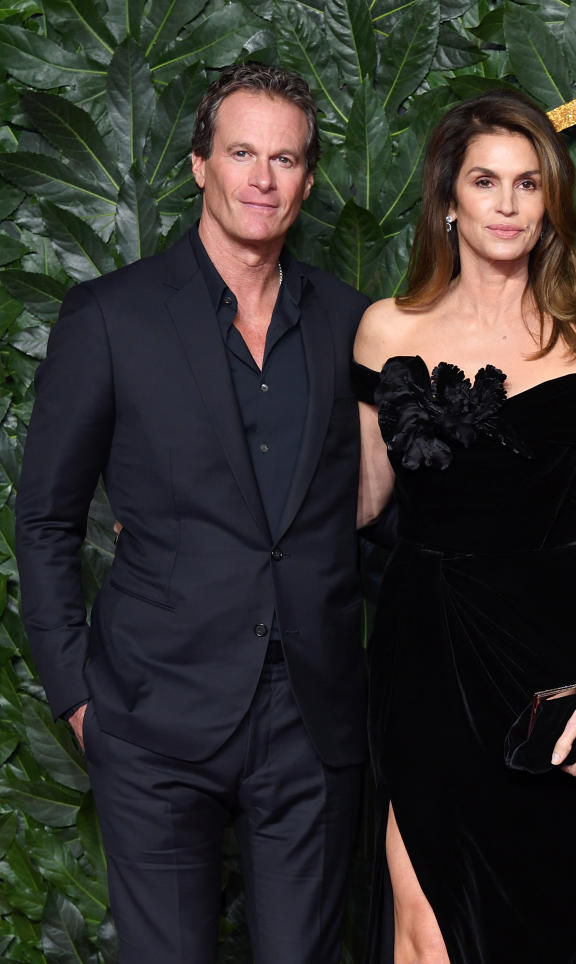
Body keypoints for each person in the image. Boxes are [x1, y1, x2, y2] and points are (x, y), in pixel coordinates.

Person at [15, 63, 370, 962]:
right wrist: (77, 697)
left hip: (306, 719)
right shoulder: (111, 317)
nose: (262, 177)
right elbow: (47, 519)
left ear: (309, 179)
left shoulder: (351, 324)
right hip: (150, 713)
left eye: (285, 158)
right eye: (242, 152)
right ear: (199, 166)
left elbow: (384, 508)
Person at [352, 88, 576, 963]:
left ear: (550, 201)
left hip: (549, 671)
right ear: (450, 200)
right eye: (487, 182)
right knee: (425, 924)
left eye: (529, 184)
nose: (510, 204)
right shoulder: (386, 329)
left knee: (542, 922)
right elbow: (360, 502)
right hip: (426, 659)